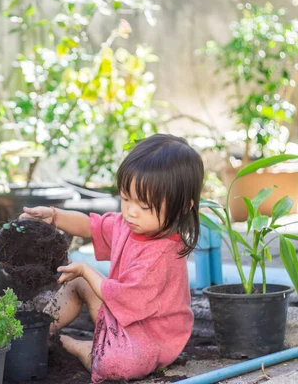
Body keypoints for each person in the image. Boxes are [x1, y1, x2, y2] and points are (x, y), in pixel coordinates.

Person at [21, 134, 204, 382]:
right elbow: (90, 225)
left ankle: (84, 348)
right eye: (126, 199)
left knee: (115, 366)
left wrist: (87, 270)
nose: (130, 212)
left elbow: (122, 296)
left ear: (183, 206)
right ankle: (34, 332)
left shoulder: (161, 256)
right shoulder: (129, 225)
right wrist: (53, 216)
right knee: (77, 282)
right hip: (119, 316)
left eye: (144, 206)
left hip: (149, 340)